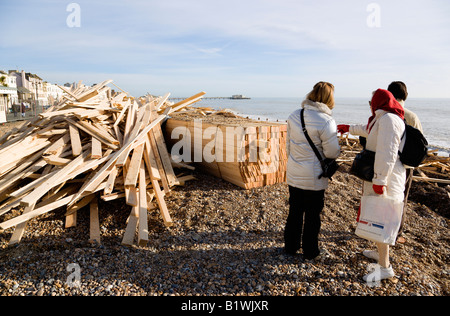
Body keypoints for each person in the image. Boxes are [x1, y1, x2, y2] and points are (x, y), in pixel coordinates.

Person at [337, 89, 406, 282]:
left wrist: (380, 181)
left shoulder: (389, 121)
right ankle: (380, 254)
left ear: (377, 102)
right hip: (382, 177)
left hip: (387, 179)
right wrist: (348, 127)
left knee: (382, 219)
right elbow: (367, 130)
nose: (370, 105)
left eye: (371, 101)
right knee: (377, 217)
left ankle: (385, 268)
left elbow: (388, 153)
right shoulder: (382, 119)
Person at [284, 82, 341, 260]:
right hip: (314, 176)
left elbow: (288, 146)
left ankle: (291, 247)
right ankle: (310, 251)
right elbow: (332, 152)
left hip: (294, 172)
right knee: (312, 215)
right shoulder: (326, 121)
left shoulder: (294, 115)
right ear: (329, 99)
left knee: (294, 211)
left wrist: (296, 161)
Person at [387, 81, 423, 242]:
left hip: (386, 161)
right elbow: (420, 144)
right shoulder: (411, 116)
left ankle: (377, 227)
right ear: (405, 95)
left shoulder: (384, 113)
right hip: (406, 164)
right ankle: (396, 232)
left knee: (383, 196)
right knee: (401, 198)